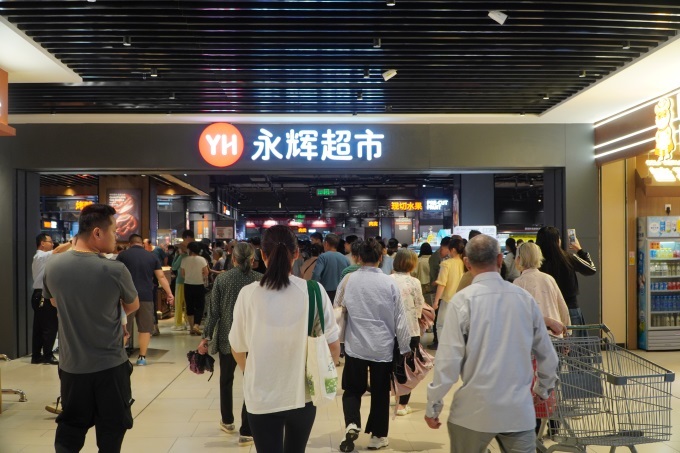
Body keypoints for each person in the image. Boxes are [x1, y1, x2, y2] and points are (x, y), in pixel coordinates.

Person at [424, 235, 558, 453]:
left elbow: (447, 362)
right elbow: (547, 355)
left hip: (472, 412)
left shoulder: (462, 301)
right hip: (518, 411)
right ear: (499, 259)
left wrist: (434, 405)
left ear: (467, 263)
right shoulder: (524, 299)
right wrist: (542, 390)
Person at [229, 225, 340, 453]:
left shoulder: (248, 294)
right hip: (303, 395)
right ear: (296, 253)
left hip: (261, 396)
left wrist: (251, 372)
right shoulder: (314, 291)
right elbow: (333, 346)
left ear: (262, 254)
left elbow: (237, 346)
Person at [43, 203, 140, 453]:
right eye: (114, 231)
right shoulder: (115, 269)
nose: (116, 237)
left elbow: (54, 302)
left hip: (72, 367)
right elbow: (132, 305)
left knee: (70, 429)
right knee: (111, 431)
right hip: (110, 365)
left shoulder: (53, 266)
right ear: (97, 232)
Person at [335, 239, 411, 452]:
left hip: (355, 345)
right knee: (380, 392)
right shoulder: (389, 283)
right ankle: (377, 437)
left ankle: (352, 423)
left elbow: (337, 307)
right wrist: (405, 347)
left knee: (352, 388)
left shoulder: (349, 280)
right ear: (380, 257)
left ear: (358, 257)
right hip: (382, 347)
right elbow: (400, 318)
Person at [198, 243, 262, 447]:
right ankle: (247, 431)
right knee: (250, 381)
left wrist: (206, 337)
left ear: (233, 259)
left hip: (228, 338)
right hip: (253, 339)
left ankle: (227, 421)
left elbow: (213, 312)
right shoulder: (261, 280)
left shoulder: (222, 279)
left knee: (226, 380)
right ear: (252, 260)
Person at [117, 234, 174, 365]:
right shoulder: (152, 256)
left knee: (124, 328)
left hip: (126, 297)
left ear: (130, 244)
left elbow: (116, 275)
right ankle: (142, 357)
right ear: (142, 244)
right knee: (145, 328)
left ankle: (118, 357)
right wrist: (169, 293)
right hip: (146, 296)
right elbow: (161, 277)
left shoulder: (123, 256)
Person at [536, 226, 596, 328]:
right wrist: (579, 249)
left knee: (550, 338)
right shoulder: (568, 258)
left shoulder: (537, 263)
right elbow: (591, 269)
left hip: (546, 311)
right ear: (557, 241)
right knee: (573, 338)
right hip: (570, 308)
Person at [390, 249, 425, 416]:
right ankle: (402, 405)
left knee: (392, 364)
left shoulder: (388, 280)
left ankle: (395, 396)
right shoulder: (414, 282)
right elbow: (419, 306)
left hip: (390, 330)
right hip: (410, 329)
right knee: (407, 367)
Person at [513, 242, 570, 336]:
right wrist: (567, 332)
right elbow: (563, 308)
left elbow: (519, 315)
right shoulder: (549, 278)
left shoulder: (518, 282)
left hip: (534, 338)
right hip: (556, 334)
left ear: (519, 259)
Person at [31, 234, 70, 365]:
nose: (52, 244)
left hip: (38, 295)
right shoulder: (41, 256)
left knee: (38, 327)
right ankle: (48, 355)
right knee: (50, 326)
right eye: (50, 241)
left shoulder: (41, 258)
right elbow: (58, 250)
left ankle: (36, 356)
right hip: (43, 295)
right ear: (42, 243)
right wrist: (72, 242)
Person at [311, 233, 350, 302]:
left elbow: (316, 274)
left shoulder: (323, 257)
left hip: (326, 291)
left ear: (326, 243)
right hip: (341, 292)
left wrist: (313, 288)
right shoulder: (345, 258)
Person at [181, 241, 209, 335]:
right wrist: (200, 276)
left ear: (190, 250)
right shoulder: (202, 259)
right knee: (200, 306)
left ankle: (191, 328)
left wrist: (189, 277)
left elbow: (182, 274)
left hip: (188, 285)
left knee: (189, 306)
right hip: (199, 285)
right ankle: (196, 325)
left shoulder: (184, 260)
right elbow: (206, 272)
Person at [413, 242, 432, 306]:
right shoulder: (433, 260)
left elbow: (413, 273)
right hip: (431, 286)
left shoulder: (417, 261)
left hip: (420, 286)